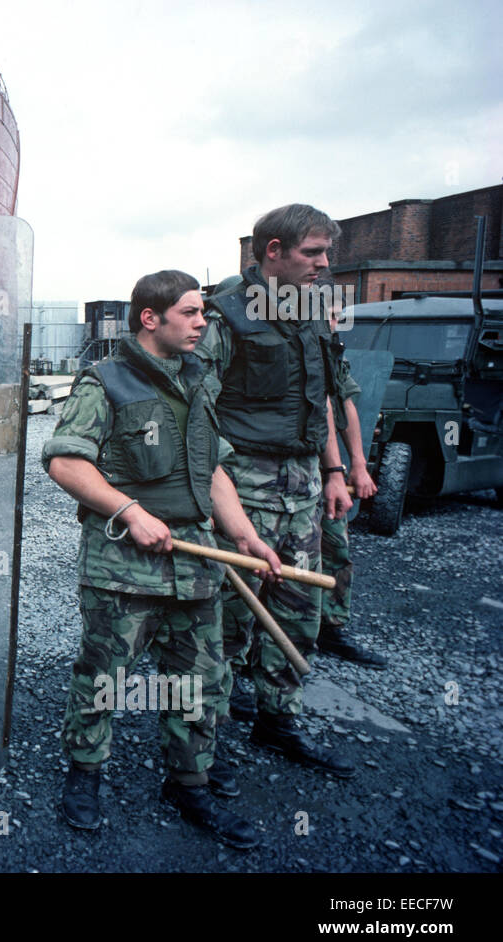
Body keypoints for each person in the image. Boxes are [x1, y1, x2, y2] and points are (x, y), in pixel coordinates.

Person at [44, 269, 281, 849]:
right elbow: (64, 462)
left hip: (196, 566)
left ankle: (189, 781)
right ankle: (85, 774)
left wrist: (245, 535)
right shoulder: (104, 382)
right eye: (191, 312)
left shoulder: (199, 381)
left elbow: (214, 468)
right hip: (124, 566)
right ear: (150, 318)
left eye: (203, 313)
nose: (203, 323)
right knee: (104, 679)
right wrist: (129, 510)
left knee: (199, 681)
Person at [196, 204, 356, 777]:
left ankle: (277, 721)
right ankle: (200, 749)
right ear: (272, 252)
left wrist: (335, 473)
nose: (324, 264)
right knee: (230, 619)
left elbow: (325, 402)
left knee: (298, 612)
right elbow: (197, 416)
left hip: (306, 489)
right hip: (246, 489)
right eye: (312, 253)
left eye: (325, 253)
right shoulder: (224, 317)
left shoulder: (314, 314)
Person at [319, 295, 386, 666]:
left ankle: (329, 628)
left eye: (338, 316)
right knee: (267, 562)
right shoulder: (286, 350)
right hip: (271, 472)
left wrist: (357, 464)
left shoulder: (332, 355)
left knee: (336, 548)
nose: (337, 323)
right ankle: (246, 656)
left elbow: (344, 405)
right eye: (330, 316)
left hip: (325, 471)